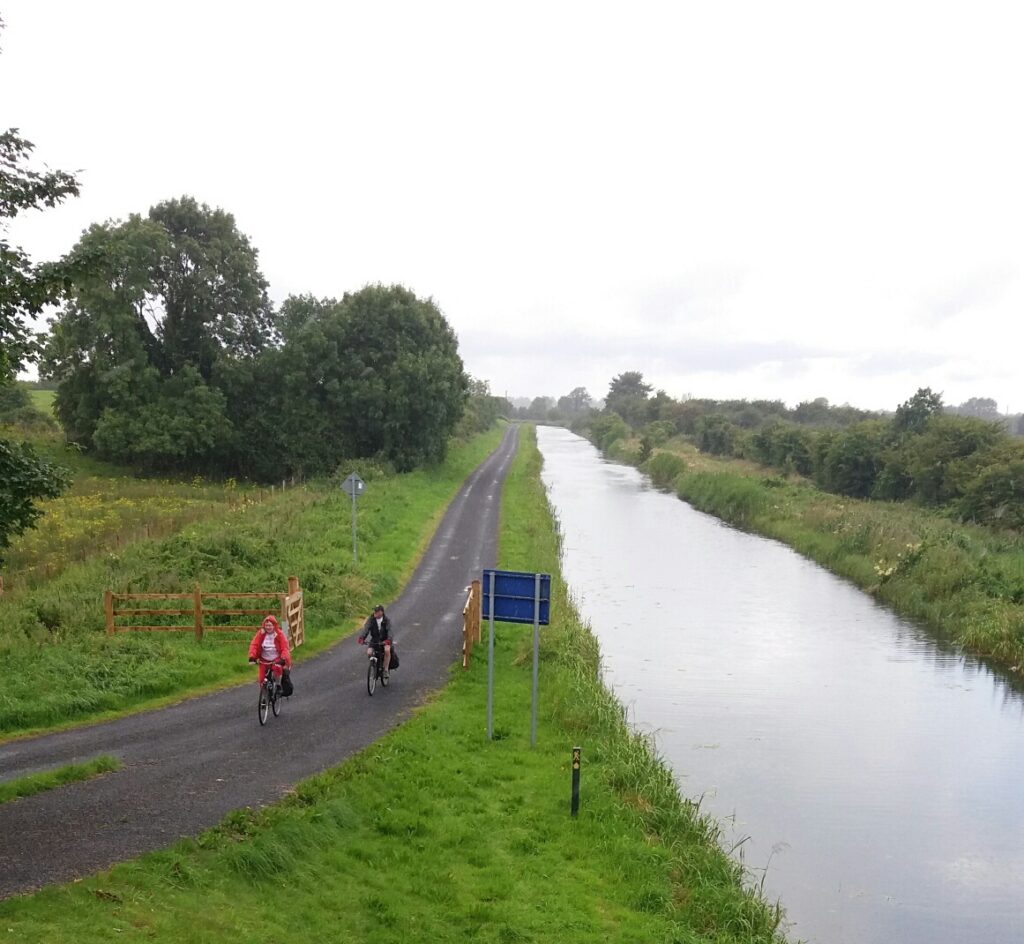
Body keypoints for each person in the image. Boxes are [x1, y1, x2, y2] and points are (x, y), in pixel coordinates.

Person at [248, 614, 292, 687]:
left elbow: (284, 647)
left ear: (274, 626)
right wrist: (252, 656)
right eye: (266, 625)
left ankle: (278, 685)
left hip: (276, 658)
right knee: (262, 678)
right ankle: (264, 694)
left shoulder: (279, 634)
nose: (268, 627)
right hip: (264, 659)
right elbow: (254, 645)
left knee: (277, 669)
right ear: (264, 626)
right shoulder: (261, 634)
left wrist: (283, 658)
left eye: (270, 625)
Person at [358, 603, 392, 678]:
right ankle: (374, 666)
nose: (375, 612)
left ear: (382, 612)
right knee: (369, 653)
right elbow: (366, 629)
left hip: (385, 640)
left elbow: (390, 631)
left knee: (387, 650)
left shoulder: (386, 620)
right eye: (374, 611)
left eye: (377, 611)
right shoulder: (371, 620)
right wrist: (362, 638)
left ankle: (385, 670)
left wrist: (388, 640)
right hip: (375, 640)